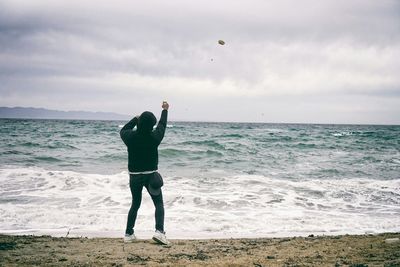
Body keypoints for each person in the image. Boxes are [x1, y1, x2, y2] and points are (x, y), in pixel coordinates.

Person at [120, 101, 170, 245]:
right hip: (151, 176)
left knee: (135, 204)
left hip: (134, 177)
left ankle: (128, 234)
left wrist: (135, 119)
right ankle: (159, 232)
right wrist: (165, 110)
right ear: (151, 126)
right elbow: (162, 125)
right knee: (159, 203)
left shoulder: (129, 137)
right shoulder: (155, 137)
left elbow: (123, 129)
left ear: (140, 123)